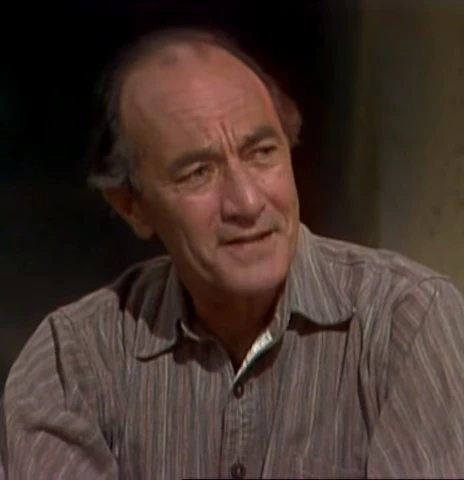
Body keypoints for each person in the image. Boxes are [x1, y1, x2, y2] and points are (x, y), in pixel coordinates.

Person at [1, 27, 464, 480]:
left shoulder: (408, 323)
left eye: (262, 152)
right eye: (198, 173)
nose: (246, 202)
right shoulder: (74, 361)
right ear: (132, 207)